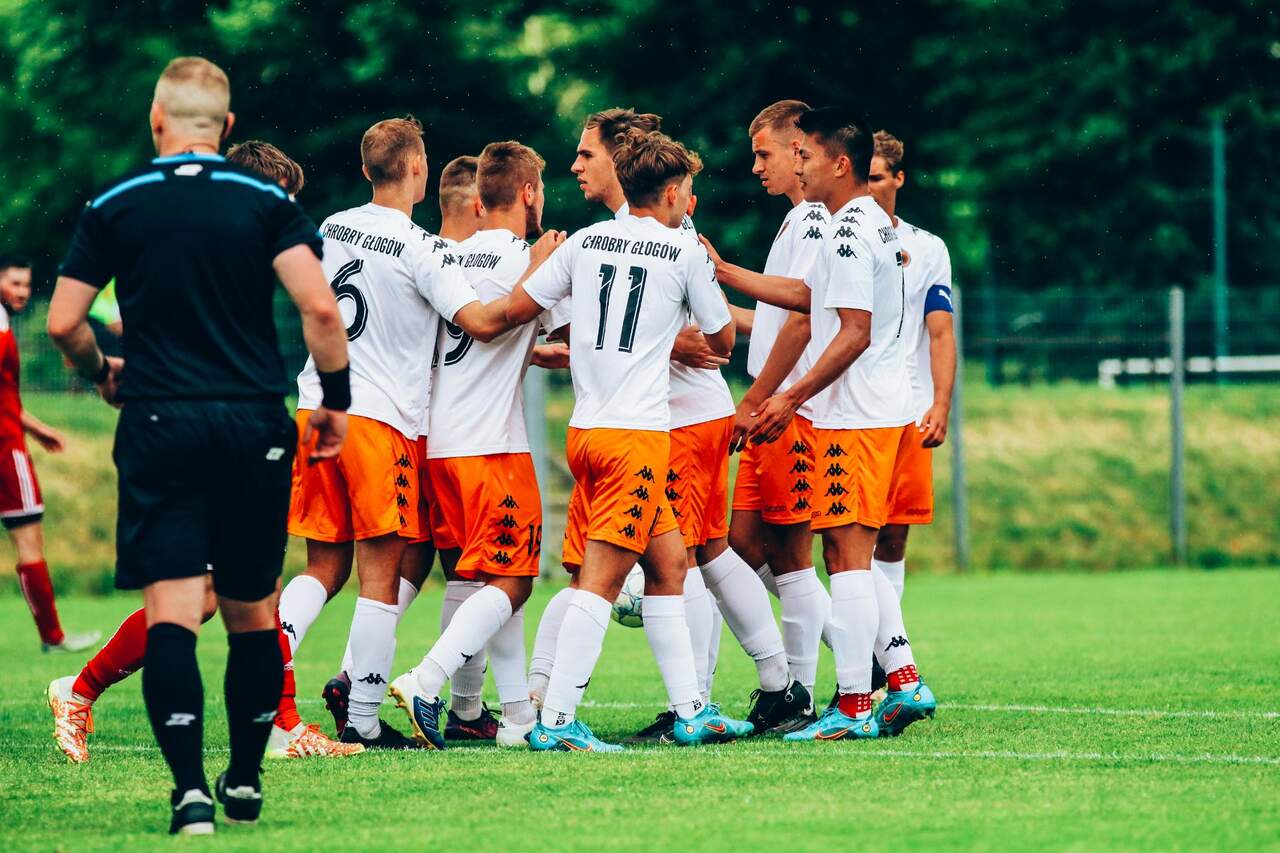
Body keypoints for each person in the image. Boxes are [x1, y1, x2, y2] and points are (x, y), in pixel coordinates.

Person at [47, 56, 350, 834]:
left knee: (175, 611)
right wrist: (336, 402)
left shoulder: (115, 201)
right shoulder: (265, 200)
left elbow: (62, 322)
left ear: (157, 120)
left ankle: (188, 796)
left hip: (159, 422)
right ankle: (244, 780)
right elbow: (320, 309)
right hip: (252, 422)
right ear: (228, 126)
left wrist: (103, 371)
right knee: (252, 610)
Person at [532, 109, 797, 742]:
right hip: (642, 426)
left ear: (622, 160)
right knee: (683, 558)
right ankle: (708, 703)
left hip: (670, 421)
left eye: (588, 155)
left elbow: (698, 328)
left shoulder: (653, 233)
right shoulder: (625, 236)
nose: (577, 166)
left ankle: (728, 695)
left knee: (673, 562)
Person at [275, 115, 518, 751]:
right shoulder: (422, 248)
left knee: (322, 568)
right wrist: (539, 272)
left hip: (317, 408)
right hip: (380, 422)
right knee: (381, 577)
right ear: (417, 168)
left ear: (365, 170)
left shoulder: (331, 227)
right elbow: (479, 322)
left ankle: (266, 662)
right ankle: (361, 718)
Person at [725, 107, 936, 741]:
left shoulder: (846, 230)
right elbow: (808, 299)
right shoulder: (868, 223)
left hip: (855, 416)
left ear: (839, 164)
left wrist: (788, 397)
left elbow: (852, 331)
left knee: (845, 557)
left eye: (806, 156)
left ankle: (853, 706)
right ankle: (900, 682)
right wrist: (723, 270)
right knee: (847, 555)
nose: (798, 166)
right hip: (877, 411)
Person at [388, 140, 563, 749]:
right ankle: (427, 679)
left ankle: (512, 716)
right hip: (492, 447)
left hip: (438, 446)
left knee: (479, 582)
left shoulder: (445, 257)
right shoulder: (532, 259)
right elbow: (584, 334)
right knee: (514, 582)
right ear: (529, 194)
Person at [318, 153, 487, 739]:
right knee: (455, 568)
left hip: (341, 410)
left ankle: (340, 678)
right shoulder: (433, 254)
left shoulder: (341, 229)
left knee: (390, 558)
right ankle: (456, 707)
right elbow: (482, 325)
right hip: (419, 427)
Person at [697, 99, 832, 731]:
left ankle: (809, 689)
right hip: (774, 406)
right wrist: (709, 312)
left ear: (799, 148)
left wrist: (755, 401)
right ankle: (840, 666)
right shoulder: (795, 220)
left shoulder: (814, 220)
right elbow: (779, 319)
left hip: (790, 411)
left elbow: (804, 316)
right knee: (742, 550)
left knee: (792, 556)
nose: (756, 167)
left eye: (764, 153)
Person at [865, 130, 956, 597]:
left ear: (899, 179)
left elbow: (940, 332)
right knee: (842, 537)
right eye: (862, 177)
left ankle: (887, 642)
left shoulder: (928, 248)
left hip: (907, 407)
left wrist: (940, 404)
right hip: (848, 407)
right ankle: (854, 633)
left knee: (893, 535)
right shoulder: (834, 237)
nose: (868, 188)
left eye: (877, 178)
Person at [0, 257, 99, 654]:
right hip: (6, 450)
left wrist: (37, 428)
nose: (23, 292)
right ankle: (52, 637)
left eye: (27, 285)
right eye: (15, 283)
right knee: (29, 542)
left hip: (12, 436)